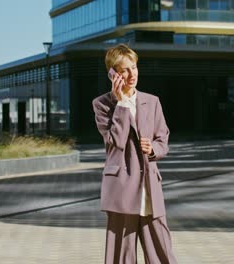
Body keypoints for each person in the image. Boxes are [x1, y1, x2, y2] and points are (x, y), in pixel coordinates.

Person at [92, 44, 177, 264]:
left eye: (134, 67)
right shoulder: (102, 105)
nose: (132, 74)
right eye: (124, 70)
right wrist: (120, 103)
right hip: (121, 188)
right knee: (121, 255)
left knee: (162, 251)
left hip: (150, 187)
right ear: (113, 74)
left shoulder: (152, 101)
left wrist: (153, 150)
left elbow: (163, 140)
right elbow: (115, 142)